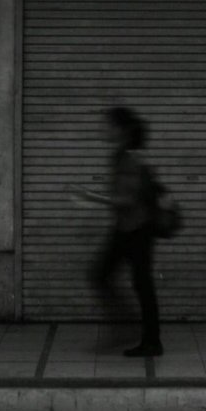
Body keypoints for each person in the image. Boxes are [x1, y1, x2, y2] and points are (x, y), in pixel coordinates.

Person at [78, 106, 164, 357]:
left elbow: (126, 199)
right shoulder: (120, 156)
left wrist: (92, 198)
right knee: (103, 275)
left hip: (137, 230)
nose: (102, 129)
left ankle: (149, 339)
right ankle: (128, 327)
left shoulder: (130, 158)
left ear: (122, 130)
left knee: (140, 284)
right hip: (126, 228)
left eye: (108, 125)